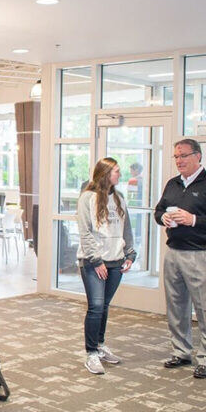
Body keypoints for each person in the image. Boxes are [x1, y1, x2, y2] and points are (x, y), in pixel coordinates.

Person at [153, 139, 206, 380]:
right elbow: (159, 211)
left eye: (184, 156)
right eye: (176, 157)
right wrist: (163, 219)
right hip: (175, 252)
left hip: (203, 254)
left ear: (198, 156)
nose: (179, 161)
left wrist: (194, 219)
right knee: (176, 306)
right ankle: (181, 352)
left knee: (205, 309)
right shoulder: (173, 183)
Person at [76, 158, 136, 375]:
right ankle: (91, 352)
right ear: (105, 173)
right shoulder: (87, 198)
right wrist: (97, 261)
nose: (119, 175)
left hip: (116, 261)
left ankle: (100, 345)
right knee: (96, 306)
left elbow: (126, 226)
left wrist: (130, 253)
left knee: (105, 306)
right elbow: (85, 232)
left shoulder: (119, 197)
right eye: (116, 172)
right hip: (93, 262)